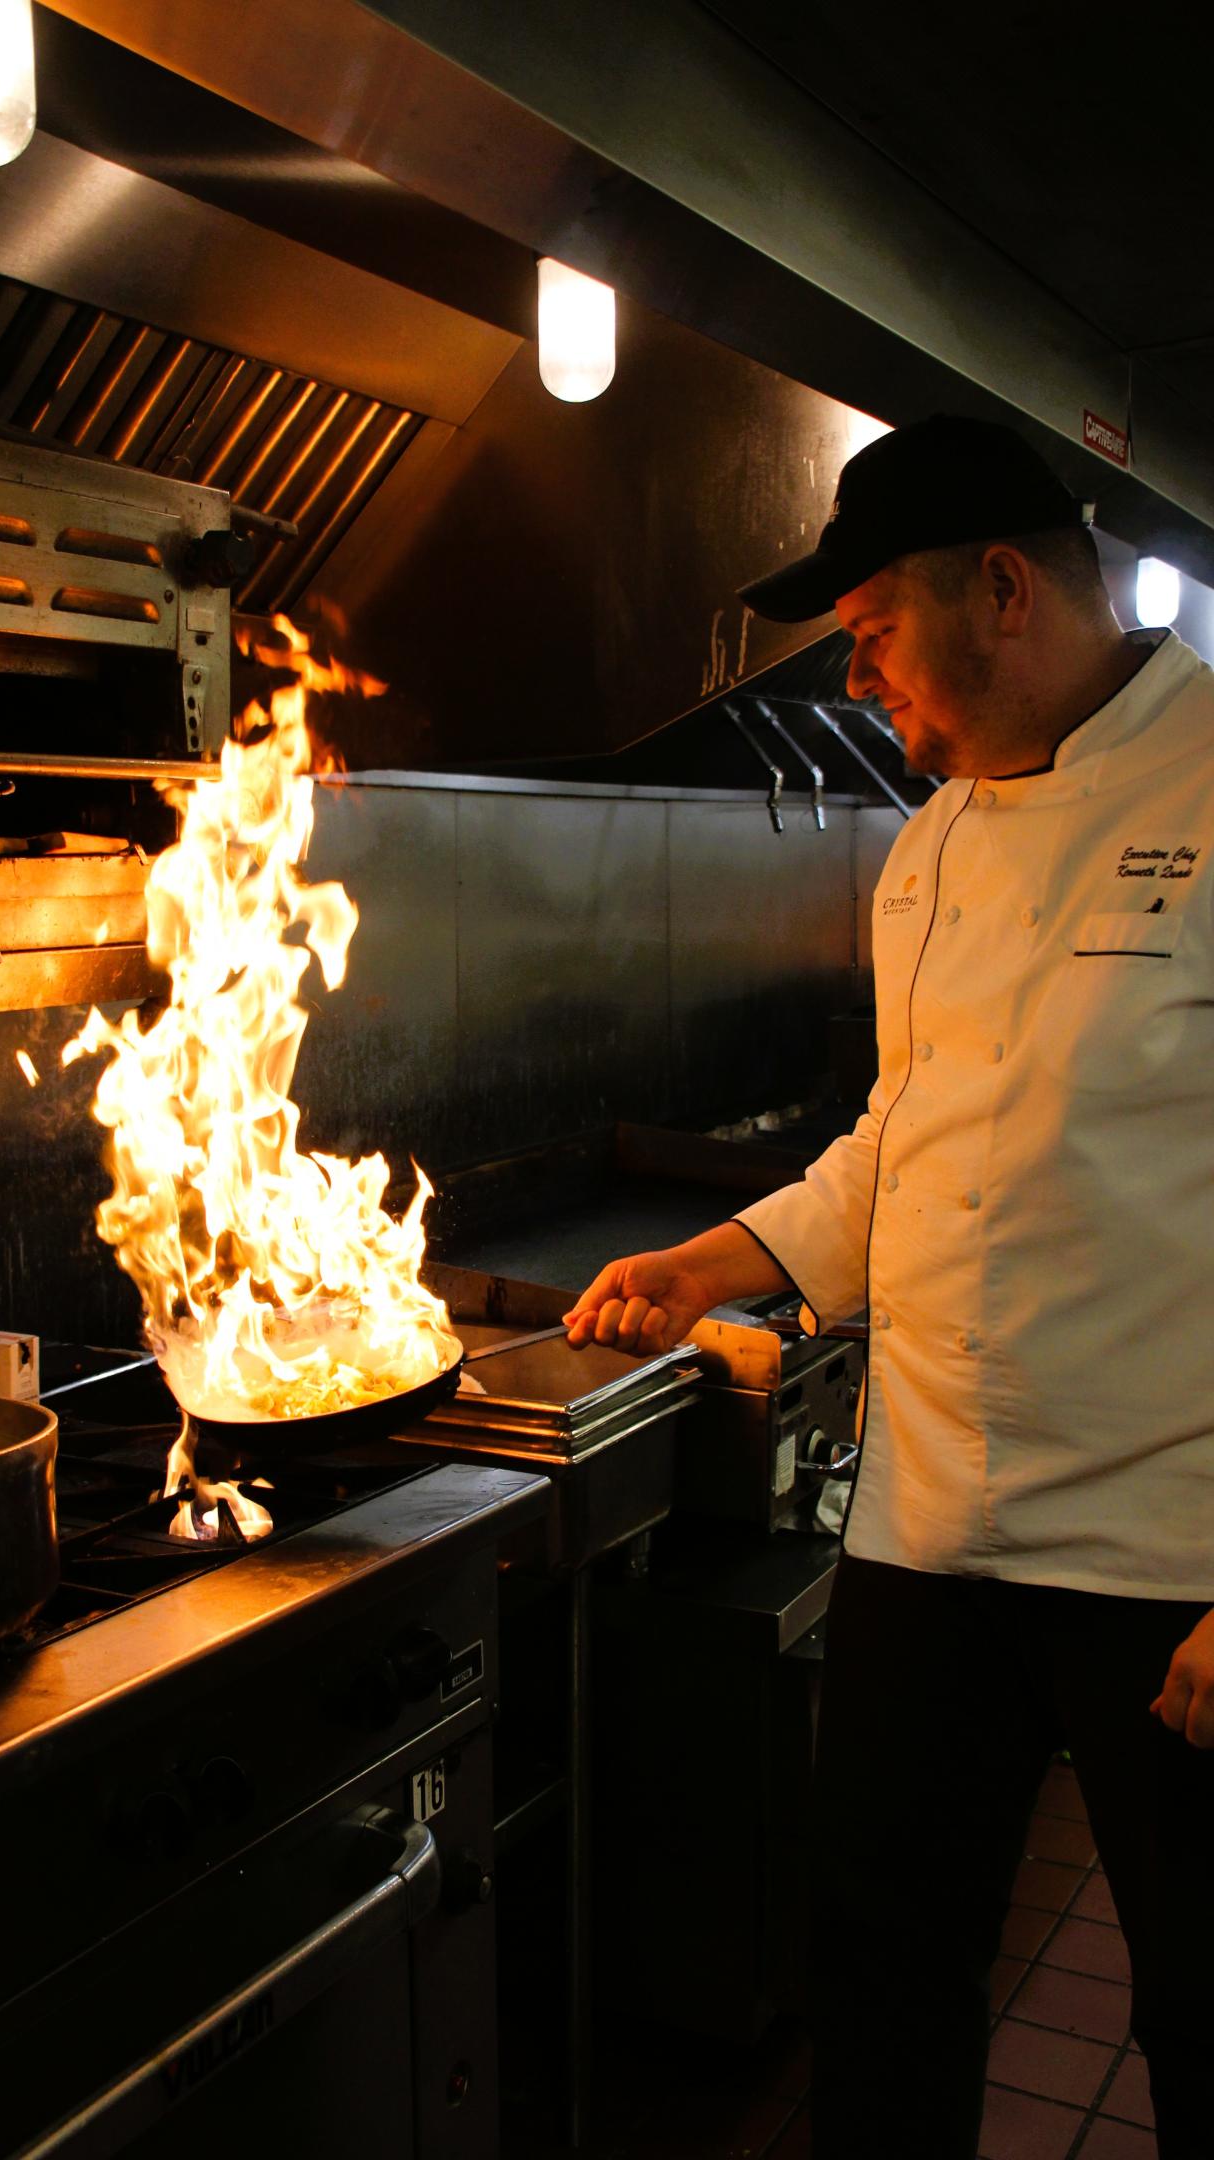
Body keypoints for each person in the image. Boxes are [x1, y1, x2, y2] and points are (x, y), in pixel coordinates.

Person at [564, 414, 1214, 2160]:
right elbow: (908, 1136)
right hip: (927, 1531)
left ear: (1003, 590)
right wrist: (723, 1254)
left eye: (868, 636)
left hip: (1174, 1554)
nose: (857, 688)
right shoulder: (926, 847)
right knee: (883, 1988)